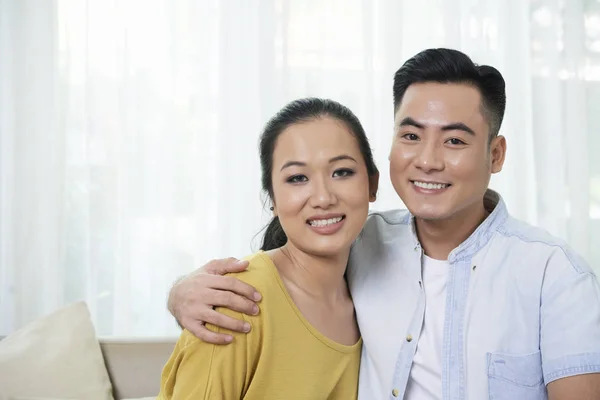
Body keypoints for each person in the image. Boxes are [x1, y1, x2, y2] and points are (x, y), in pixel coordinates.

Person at [167, 49, 600, 400]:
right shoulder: (353, 242)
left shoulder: (555, 276)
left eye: (454, 140)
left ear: (496, 154)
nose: (427, 160)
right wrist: (181, 291)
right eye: (410, 136)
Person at [158, 98, 380, 399]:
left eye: (341, 172)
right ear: (272, 199)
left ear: (372, 184)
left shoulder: (373, 294)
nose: (323, 197)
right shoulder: (235, 302)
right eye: (297, 178)